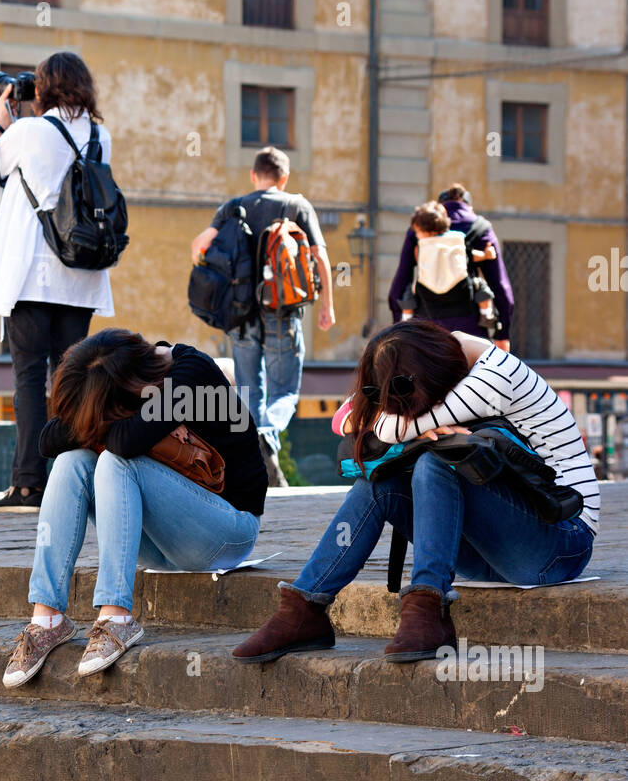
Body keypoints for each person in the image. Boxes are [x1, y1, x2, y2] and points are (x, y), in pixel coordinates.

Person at [233, 320, 598, 664]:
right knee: (379, 486)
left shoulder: (496, 376)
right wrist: (415, 423)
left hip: (561, 541)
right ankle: (304, 609)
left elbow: (389, 429)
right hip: (494, 549)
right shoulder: (439, 357)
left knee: (438, 459)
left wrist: (410, 425)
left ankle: (427, 609)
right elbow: (344, 417)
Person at [2, 328, 267, 686]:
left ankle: (117, 618)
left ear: (128, 383)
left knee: (116, 460)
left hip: (226, 533)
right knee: (71, 462)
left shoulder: (191, 375)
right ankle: (47, 619)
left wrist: (98, 415)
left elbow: (127, 441)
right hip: (162, 541)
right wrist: (101, 409)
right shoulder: (127, 379)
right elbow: (49, 440)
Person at [0, 52, 113, 510]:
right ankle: (74, 483)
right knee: (71, 382)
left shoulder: (28, 132)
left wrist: (1, 120)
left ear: (43, 88)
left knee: (29, 380)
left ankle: (29, 484)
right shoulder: (100, 135)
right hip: (81, 277)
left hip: (32, 277)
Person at [190, 145, 335, 488]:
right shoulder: (296, 205)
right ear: (284, 178)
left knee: (249, 390)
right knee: (285, 390)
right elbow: (319, 257)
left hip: (239, 314)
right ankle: (268, 435)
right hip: (282, 311)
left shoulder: (233, 207)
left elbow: (199, 247)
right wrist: (327, 304)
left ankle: (253, 461)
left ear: (254, 175)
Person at [389, 184, 513, 349]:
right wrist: (502, 333)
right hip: (470, 325)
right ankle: (486, 314)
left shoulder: (417, 230)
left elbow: (401, 281)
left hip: (426, 321)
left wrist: (400, 325)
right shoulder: (481, 228)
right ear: (469, 207)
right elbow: (501, 286)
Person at [399, 200, 498, 329]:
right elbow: (468, 256)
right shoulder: (457, 240)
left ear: (429, 232)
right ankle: (487, 314)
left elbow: (418, 261)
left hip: (427, 290)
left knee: (409, 293)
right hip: (458, 288)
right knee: (480, 286)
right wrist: (486, 255)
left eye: (418, 232)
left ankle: (406, 318)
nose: (417, 235)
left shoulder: (421, 246)